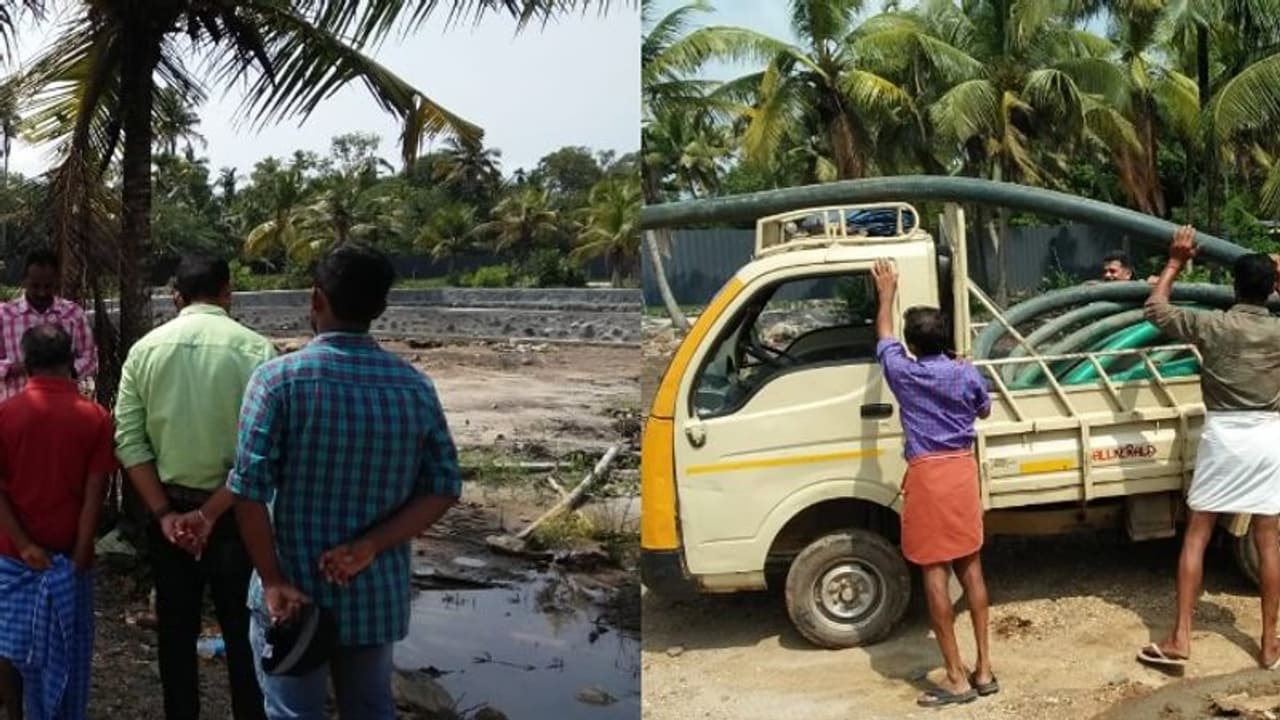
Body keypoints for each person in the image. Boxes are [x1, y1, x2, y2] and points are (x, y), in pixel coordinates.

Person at [229, 244, 461, 720]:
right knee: (372, 710)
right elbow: (443, 486)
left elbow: (248, 491)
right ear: (380, 309)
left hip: (292, 597)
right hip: (374, 598)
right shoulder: (414, 387)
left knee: (293, 714)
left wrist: (271, 580)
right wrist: (372, 544)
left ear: (316, 299)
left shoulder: (277, 381)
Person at [114, 256, 275, 720]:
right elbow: (260, 452)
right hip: (238, 516)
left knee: (176, 637)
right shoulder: (257, 351)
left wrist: (166, 514)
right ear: (228, 292)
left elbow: (128, 439)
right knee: (244, 636)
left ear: (175, 296)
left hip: (169, 519)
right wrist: (209, 515)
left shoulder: (145, 350)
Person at [1137, 225, 1280, 671]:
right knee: (1269, 542)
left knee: (1198, 535)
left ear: (1234, 287)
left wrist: (1177, 260)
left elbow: (1155, 309)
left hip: (1223, 437)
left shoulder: (1211, 325)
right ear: (1272, 288)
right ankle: (1271, 643)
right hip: (1268, 437)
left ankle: (1181, 638)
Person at [870, 259, 996, 708]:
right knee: (972, 568)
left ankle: (956, 678)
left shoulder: (903, 373)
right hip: (962, 470)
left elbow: (883, 335)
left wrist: (886, 291)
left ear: (913, 343)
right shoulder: (964, 372)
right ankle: (983, 670)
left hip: (927, 474)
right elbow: (985, 411)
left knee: (934, 572)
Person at [0, 325, 115, 720]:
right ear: (70, 363)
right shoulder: (96, 417)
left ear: (27, 364)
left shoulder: (5, 415)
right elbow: (93, 494)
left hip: (13, 557)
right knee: (69, 649)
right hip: (69, 558)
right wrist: (83, 549)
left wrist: (25, 545)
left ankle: (15, 714)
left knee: (9, 646)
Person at [0, 250, 96, 402]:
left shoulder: (73, 314)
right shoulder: (4, 315)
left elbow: (90, 359)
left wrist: (62, 370)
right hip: (14, 410)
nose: (42, 292)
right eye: (35, 286)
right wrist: (15, 368)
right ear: (24, 280)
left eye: (48, 286)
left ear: (57, 281)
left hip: (64, 408)